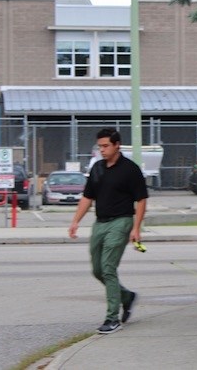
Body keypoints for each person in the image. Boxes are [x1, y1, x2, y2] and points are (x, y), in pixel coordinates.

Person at [68, 128, 149, 334]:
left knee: (108, 268)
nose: (102, 150)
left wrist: (136, 228)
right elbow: (88, 197)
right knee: (97, 269)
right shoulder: (97, 168)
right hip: (100, 223)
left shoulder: (130, 170)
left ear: (117, 145)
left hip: (121, 222)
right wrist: (76, 221)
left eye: (105, 146)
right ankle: (126, 296)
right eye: (100, 146)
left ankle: (112, 318)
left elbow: (141, 200)